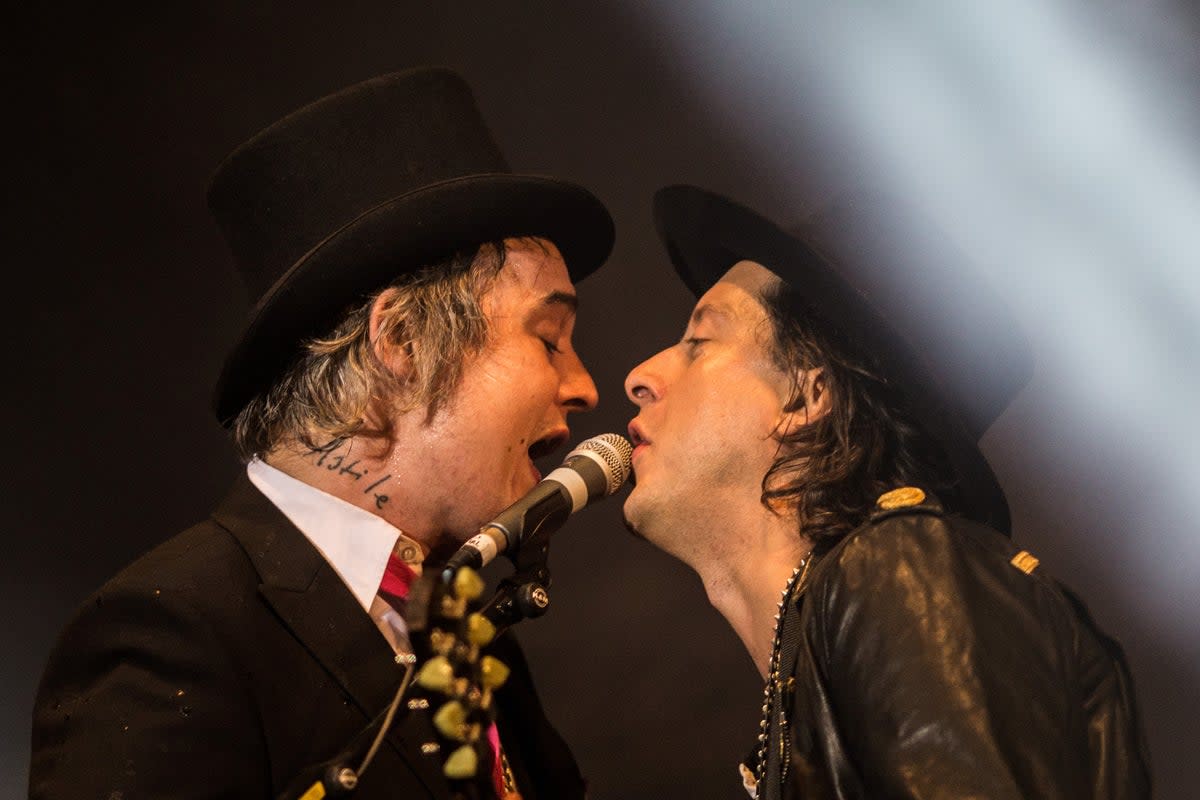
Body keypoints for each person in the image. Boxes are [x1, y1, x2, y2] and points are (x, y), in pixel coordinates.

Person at [30, 67, 614, 800]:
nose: (584, 384)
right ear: (400, 340)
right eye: (549, 336)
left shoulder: (451, 621)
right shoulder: (171, 636)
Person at [622, 184, 1152, 799]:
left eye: (699, 343)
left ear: (806, 397)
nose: (640, 376)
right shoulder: (832, 643)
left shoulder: (900, 567)